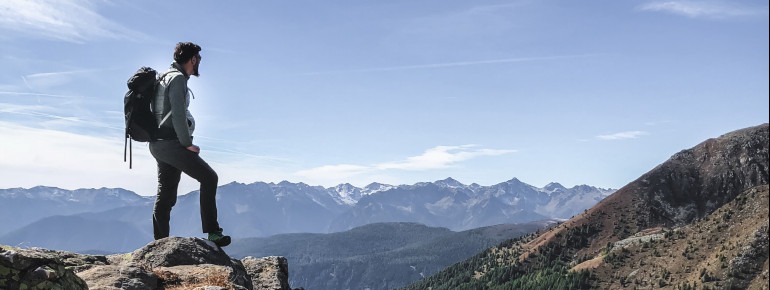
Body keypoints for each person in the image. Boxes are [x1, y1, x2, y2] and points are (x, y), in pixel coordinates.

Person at [149, 42, 230, 247]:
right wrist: (186, 144)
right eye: (199, 59)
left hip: (158, 144)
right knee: (209, 178)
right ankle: (213, 232)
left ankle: (160, 244)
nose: (199, 63)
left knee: (166, 195)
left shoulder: (163, 76)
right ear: (192, 59)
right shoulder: (177, 79)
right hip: (172, 143)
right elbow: (177, 113)